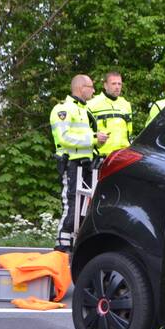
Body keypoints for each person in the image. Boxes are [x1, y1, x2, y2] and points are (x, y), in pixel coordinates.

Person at [51, 75, 107, 253]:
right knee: (72, 203)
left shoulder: (84, 110)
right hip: (72, 164)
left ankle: (75, 243)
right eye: (91, 87)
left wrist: (97, 143)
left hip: (86, 164)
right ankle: (62, 244)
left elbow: (84, 138)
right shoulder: (63, 109)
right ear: (81, 88)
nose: (94, 90)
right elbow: (64, 137)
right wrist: (93, 138)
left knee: (84, 205)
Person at [86, 71, 132, 158]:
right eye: (113, 84)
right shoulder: (92, 104)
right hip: (102, 156)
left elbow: (129, 130)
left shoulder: (126, 104)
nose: (117, 87)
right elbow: (85, 131)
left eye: (119, 84)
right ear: (105, 85)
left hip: (123, 156)